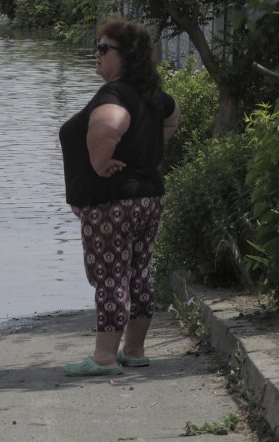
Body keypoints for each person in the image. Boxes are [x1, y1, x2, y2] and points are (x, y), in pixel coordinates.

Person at [58, 16, 180, 377]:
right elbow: (172, 117)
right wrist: (148, 150)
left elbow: (110, 124)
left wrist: (99, 162)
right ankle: (135, 350)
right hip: (148, 198)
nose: (96, 53)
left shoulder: (113, 94)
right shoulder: (150, 94)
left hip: (112, 204)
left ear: (124, 55)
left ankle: (104, 358)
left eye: (103, 48)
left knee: (110, 276)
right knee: (138, 274)